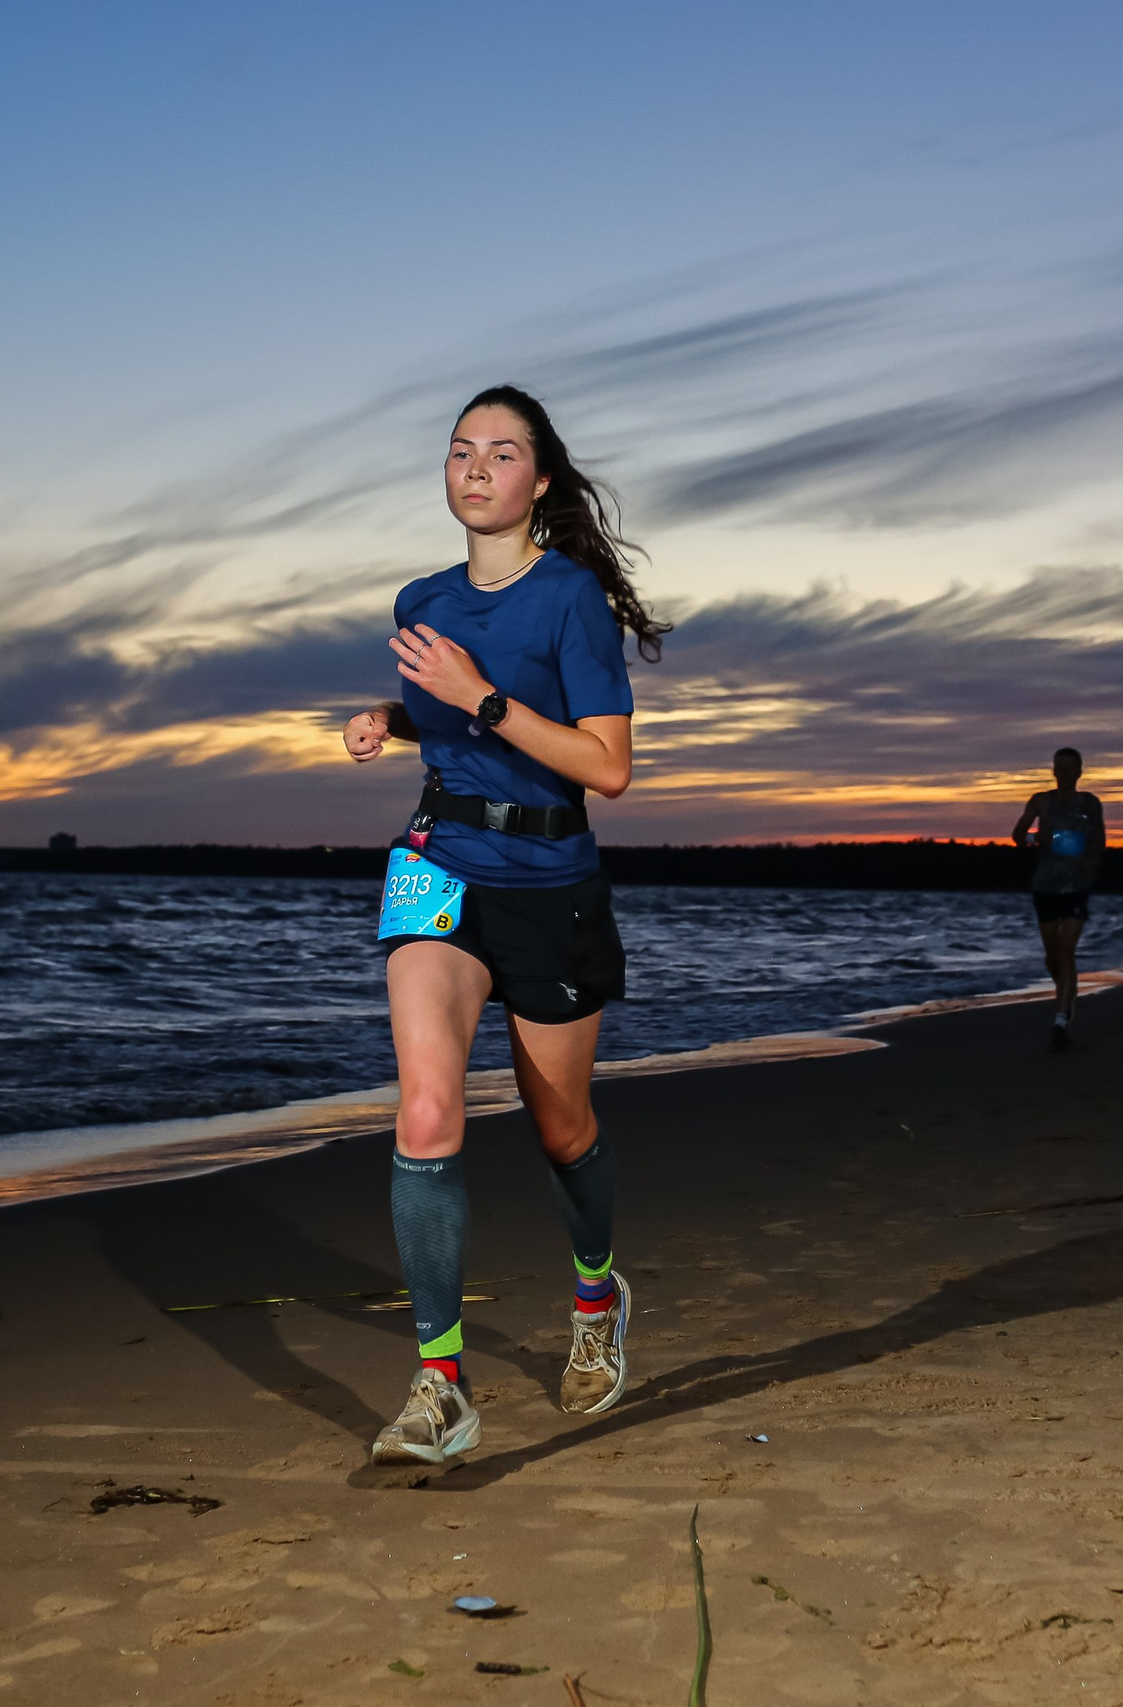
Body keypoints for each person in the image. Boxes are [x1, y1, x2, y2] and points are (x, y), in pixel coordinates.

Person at [341, 385, 667, 1467]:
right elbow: (440, 711)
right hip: (434, 863)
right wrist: (390, 719)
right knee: (427, 1109)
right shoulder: (419, 597)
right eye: (458, 452)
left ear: (538, 482)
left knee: (559, 1126)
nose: (475, 469)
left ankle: (594, 1297)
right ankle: (439, 1385)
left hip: (548, 879)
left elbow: (609, 769)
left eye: (501, 454)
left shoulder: (570, 600)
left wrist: (480, 699)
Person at [1011, 748, 1106, 1051]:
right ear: (1053, 770)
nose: (1065, 774)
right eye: (1059, 768)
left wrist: (1089, 872)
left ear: (1080, 771)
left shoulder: (1090, 803)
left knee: (1067, 953)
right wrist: (1035, 838)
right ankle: (1067, 990)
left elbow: (1099, 843)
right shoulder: (1041, 800)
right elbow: (1017, 835)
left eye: (1070, 768)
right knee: (1053, 958)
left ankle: (1061, 1019)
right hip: (1046, 887)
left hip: (1076, 888)